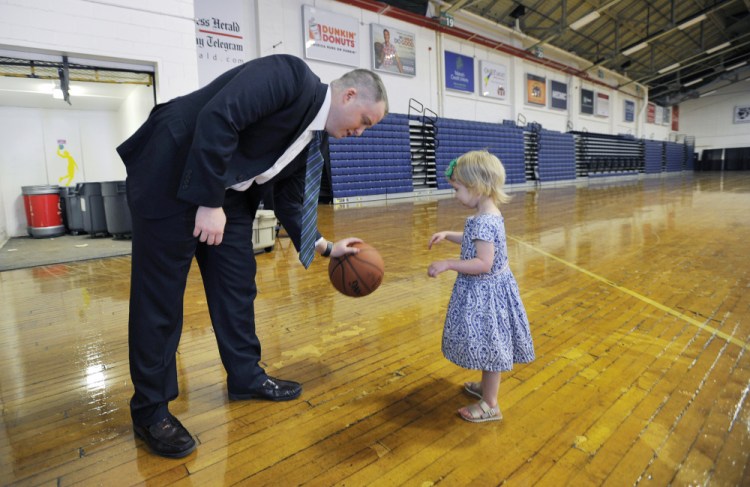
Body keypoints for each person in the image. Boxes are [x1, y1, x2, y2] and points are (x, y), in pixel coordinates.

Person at [116, 54, 388, 458]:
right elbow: (218, 117)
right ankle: (150, 410)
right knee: (160, 299)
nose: (361, 133)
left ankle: (245, 376)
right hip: (171, 171)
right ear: (349, 95)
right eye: (365, 121)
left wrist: (327, 248)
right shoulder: (289, 76)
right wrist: (208, 202)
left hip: (228, 194)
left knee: (237, 286)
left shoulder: (314, 140)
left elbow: (292, 203)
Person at [427, 150, 535, 423]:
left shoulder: (485, 220)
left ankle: (490, 404)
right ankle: (487, 389)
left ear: (476, 187)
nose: (455, 195)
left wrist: (449, 264)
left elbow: (483, 262)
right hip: (491, 292)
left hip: (487, 295)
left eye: (457, 189)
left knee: (491, 345)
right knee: (489, 344)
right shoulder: (488, 214)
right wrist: (448, 235)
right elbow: (475, 239)